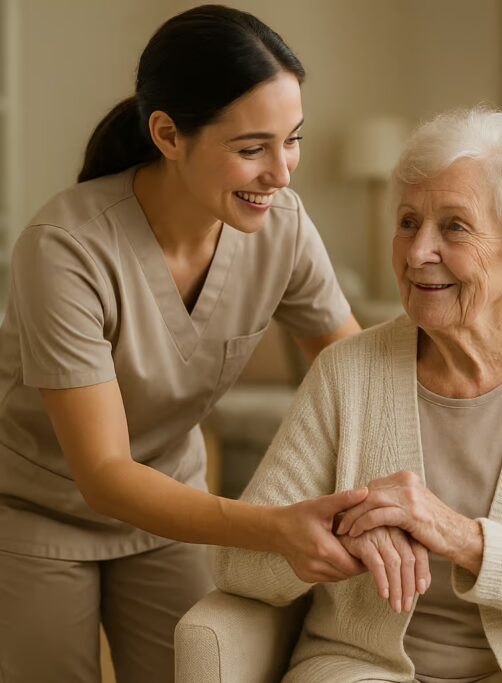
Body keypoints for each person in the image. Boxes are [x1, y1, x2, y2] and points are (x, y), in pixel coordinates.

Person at [211, 107, 502, 681]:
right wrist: (343, 532)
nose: (418, 251)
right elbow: (237, 563)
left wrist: (461, 536)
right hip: (361, 667)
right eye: (407, 222)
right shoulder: (346, 372)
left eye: (454, 227)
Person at [0, 6, 366, 682]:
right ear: (168, 134)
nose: (282, 174)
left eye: (293, 139)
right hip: (37, 513)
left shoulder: (281, 224)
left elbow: (355, 375)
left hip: (172, 504)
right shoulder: (66, 248)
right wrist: (275, 524)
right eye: (252, 148)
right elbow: (104, 473)